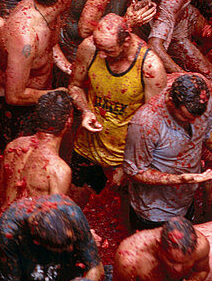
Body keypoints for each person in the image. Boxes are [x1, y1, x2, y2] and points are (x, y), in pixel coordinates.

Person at [68, 14, 167, 197]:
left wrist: (128, 164)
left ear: (127, 42)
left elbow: (152, 125)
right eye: (100, 49)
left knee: (123, 204)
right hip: (87, 146)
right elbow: (75, 86)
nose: (102, 55)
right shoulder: (90, 48)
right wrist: (86, 111)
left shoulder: (150, 67)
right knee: (75, 196)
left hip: (124, 154)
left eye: (109, 51)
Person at [122, 73, 212, 228]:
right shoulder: (146, 123)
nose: (193, 122)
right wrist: (179, 179)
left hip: (186, 195)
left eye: (196, 117)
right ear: (171, 102)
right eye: (186, 118)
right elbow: (134, 171)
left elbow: (210, 129)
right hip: (154, 209)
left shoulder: (202, 98)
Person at [0, 0, 74, 151]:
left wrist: (66, 65)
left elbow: (49, 43)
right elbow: (14, 96)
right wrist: (58, 94)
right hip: (13, 110)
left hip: (37, 96)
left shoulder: (46, 6)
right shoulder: (25, 37)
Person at [0, 90, 74, 207]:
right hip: (31, 223)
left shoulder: (13, 146)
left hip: (3, 219)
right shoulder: (58, 170)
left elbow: (3, 189)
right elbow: (52, 217)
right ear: (69, 121)